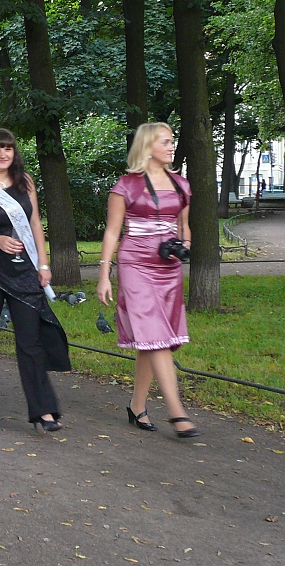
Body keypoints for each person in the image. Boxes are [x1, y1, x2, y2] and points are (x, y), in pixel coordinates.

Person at [0, 128, 70, 431]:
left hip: (24, 271)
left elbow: (35, 225)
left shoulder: (25, 182)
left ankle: (44, 411)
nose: (3, 154)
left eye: (8, 148)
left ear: (14, 152)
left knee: (30, 340)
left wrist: (43, 264)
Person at [96, 122, 198, 438]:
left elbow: (184, 226)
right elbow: (112, 231)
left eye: (172, 141)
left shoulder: (181, 184)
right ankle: (177, 412)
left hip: (168, 267)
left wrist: (183, 247)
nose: (171, 146)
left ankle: (137, 406)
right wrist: (104, 274)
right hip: (135, 264)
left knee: (151, 340)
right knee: (157, 336)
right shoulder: (126, 186)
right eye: (165, 141)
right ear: (147, 146)